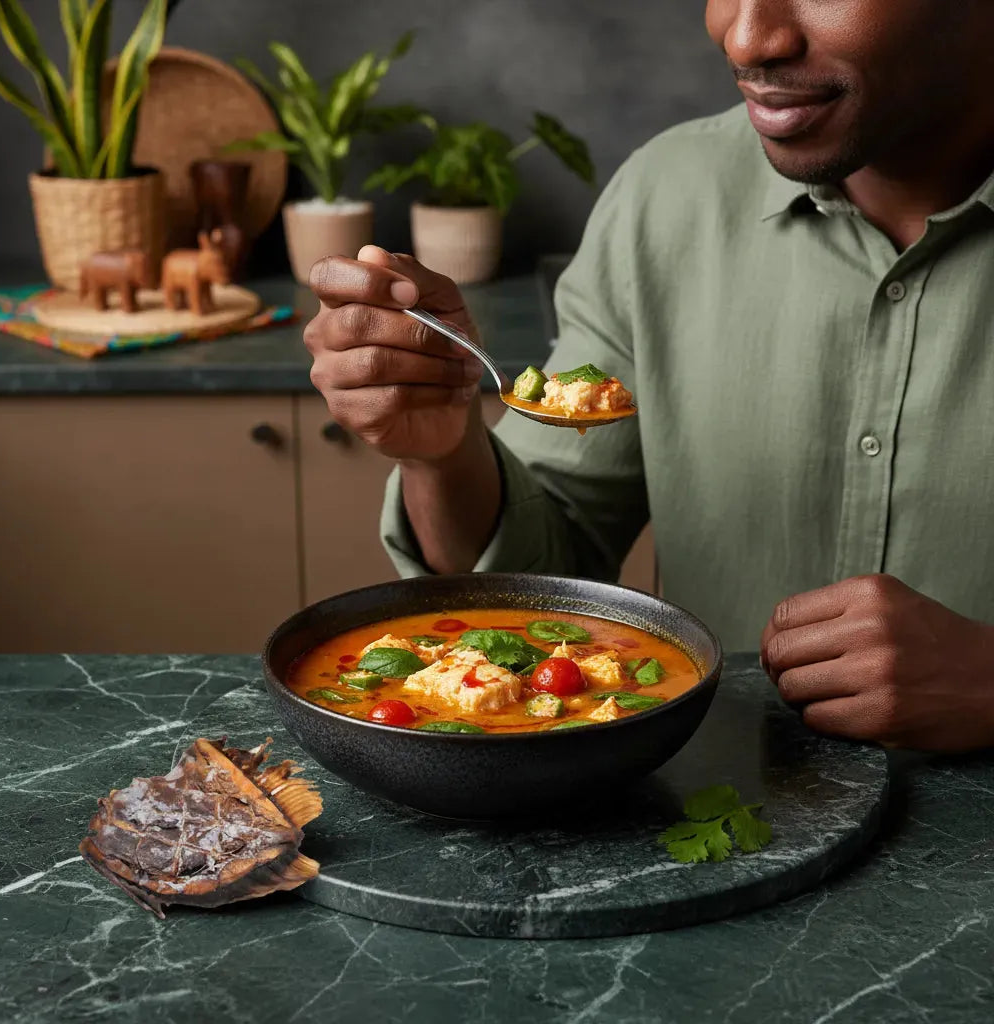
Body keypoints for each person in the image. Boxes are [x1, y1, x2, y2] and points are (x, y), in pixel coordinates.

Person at [303, 1, 994, 752]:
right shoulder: (667, 195)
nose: (747, 37)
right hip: (709, 799)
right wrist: (444, 455)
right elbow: (549, 577)